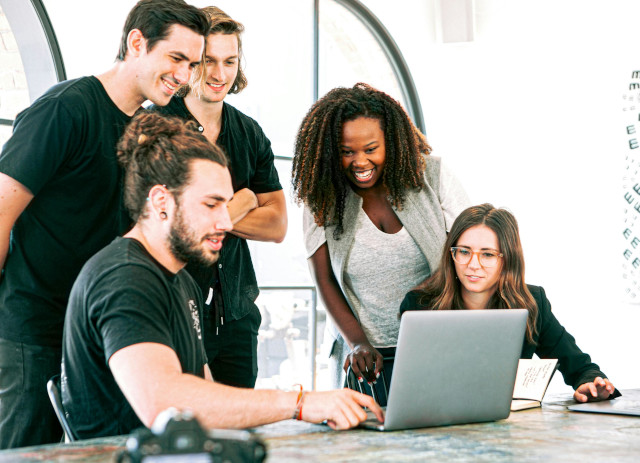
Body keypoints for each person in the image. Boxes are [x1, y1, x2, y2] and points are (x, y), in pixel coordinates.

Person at [61, 112, 383, 438]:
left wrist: (304, 415)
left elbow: (207, 396)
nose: (227, 223)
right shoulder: (125, 278)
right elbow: (165, 404)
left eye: (226, 205)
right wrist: (299, 404)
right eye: (211, 205)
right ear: (161, 201)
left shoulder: (182, 280)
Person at [0, 0, 209, 449]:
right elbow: (0, 211)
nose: (185, 75)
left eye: (193, 64)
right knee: (24, 452)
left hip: (105, 331)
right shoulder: (64, 110)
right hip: (34, 327)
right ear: (137, 42)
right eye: (176, 58)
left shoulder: (157, 126)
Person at [292, 83, 469, 390]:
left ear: (393, 141)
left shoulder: (434, 177)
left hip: (436, 343)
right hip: (365, 357)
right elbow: (324, 280)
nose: (360, 162)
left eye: (371, 149)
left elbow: (467, 254)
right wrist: (358, 343)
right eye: (347, 152)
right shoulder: (321, 196)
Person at [151, 6, 286, 389]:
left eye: (230, 61)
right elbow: (162, 223)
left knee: (237, 438)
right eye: (208, 61)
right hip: (173, 312)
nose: (219, 74)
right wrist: (243, 200)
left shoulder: (250, 133)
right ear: (191, 62)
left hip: (238, 317)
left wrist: (208, 214)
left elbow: (277, 225)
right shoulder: (157, 126)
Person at [400, 203, 620, 403]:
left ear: (507, 259)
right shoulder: (420, 305)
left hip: (507, 428)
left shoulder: (532, 303)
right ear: (452, 255)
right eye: (464, 252)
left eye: (487, 255)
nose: (473, 264)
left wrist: (591, 384)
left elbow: (579, 367)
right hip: (437, 423)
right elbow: (409, 384)